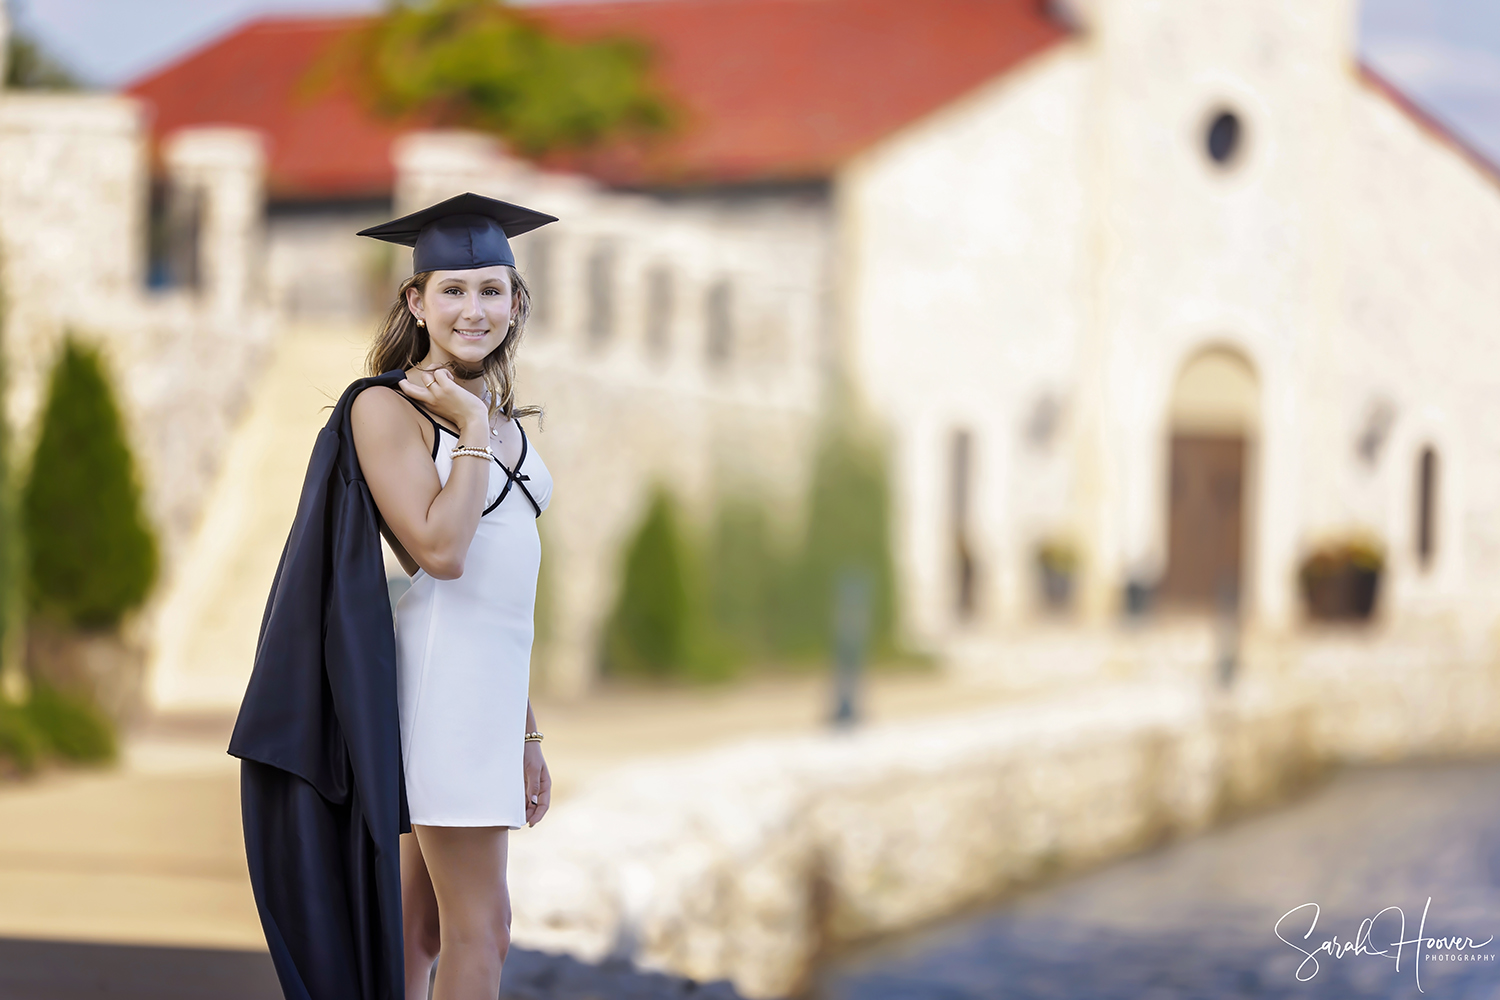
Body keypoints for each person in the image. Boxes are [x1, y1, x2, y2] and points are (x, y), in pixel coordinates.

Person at [351, 192, 559, 999]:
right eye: (452, 290)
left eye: (491, 290)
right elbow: (440, 552)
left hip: (488, 689)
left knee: (422, 931)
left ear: (515, 301)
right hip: (443, 685)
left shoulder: (499, 417)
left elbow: (506, 596)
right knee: (485, 931)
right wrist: (469, 429)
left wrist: (528, 727)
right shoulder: (388, 408)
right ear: (416, 300)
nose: (474, 310)